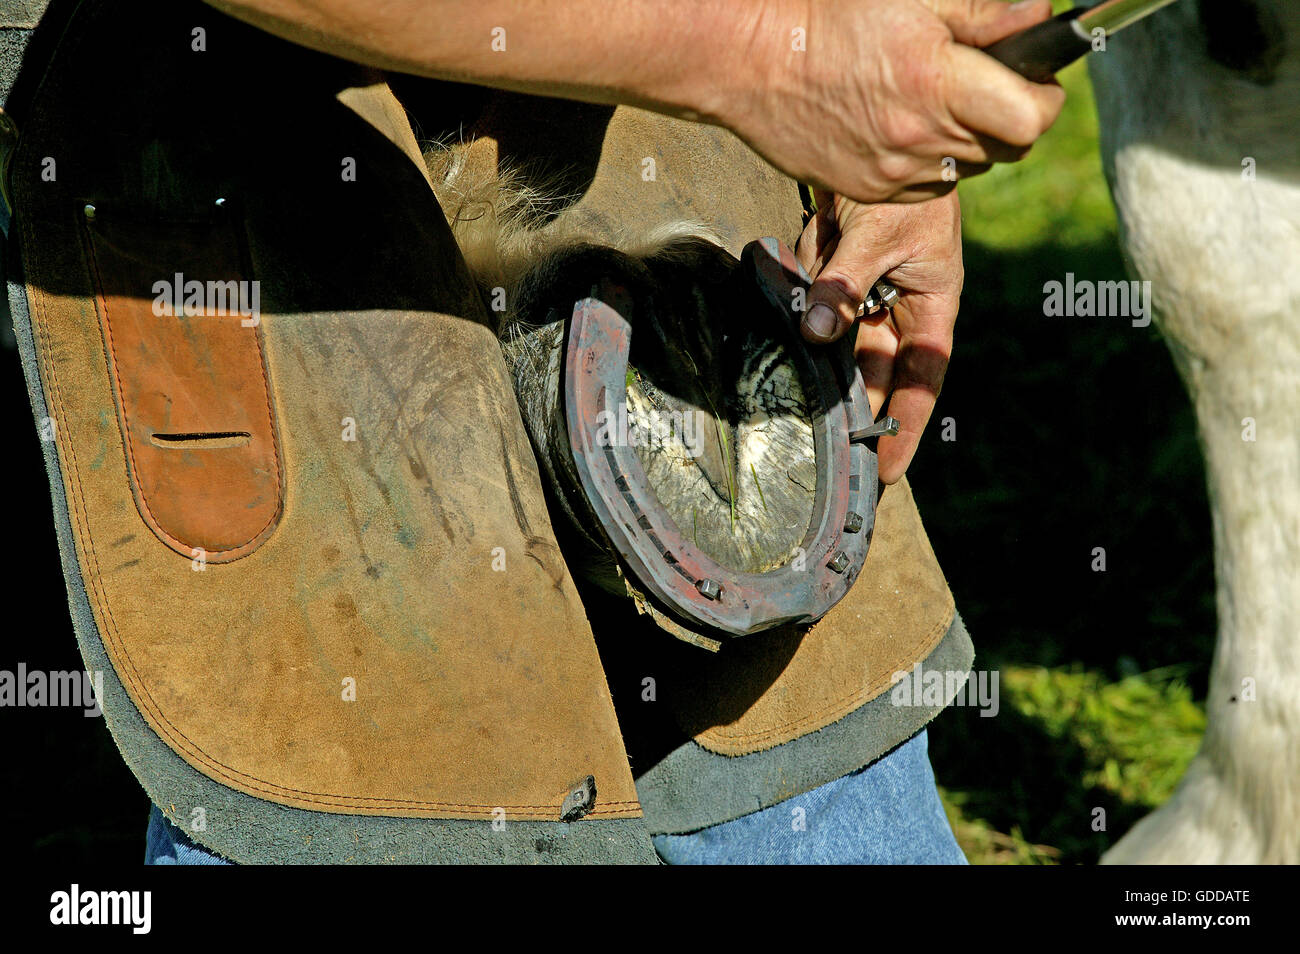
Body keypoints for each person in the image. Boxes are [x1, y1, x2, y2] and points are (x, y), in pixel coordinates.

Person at [5, 0, 1062, 864]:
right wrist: (750, 52)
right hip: (237, 131)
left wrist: (902, 110)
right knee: (368, 782)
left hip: (671, 130)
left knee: (807, 752)